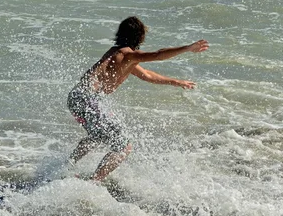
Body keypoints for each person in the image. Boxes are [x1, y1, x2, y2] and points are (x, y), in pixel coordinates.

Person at [67, 16, 209, 181]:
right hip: (88, 99)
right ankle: (94, 181)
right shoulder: (126, 55)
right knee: (123, 147)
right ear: (139, 37)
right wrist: (187, 48)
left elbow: (147, 75)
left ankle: (67, 165)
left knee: (98, 135)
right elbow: (158, 55)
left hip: (77, 97)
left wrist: (176, 82)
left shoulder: (119, 54)